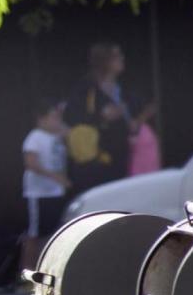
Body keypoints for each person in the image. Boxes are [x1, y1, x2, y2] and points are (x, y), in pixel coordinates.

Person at [64, 43, 152, 193]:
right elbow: (71, 116)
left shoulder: (124, 87)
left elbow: (149, 106)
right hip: (96, 161)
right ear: (105, 61)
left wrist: (136, 122)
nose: (122, 58)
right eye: (117, 56)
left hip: (123, 157)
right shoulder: (86, 88)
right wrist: (102, 117)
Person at [20, 97, 71, 274]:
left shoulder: (57, 136)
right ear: (41, 119)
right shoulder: (35, 137)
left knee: (54, 232)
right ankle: (27, 274)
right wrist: (56, 177)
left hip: (56, 192)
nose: (57, 121)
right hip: (39, 193)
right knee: (34, 234)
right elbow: (31, 163)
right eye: (53, 117)